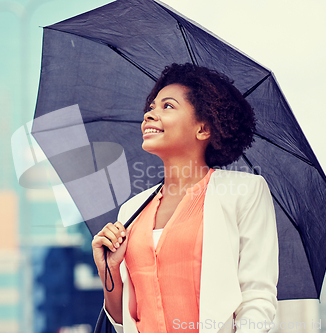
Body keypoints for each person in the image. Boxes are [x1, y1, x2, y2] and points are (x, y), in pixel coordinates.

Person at [92, 63, 278, 333]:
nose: (149, 114)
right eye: (151, 106)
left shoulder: (244, 192)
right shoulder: (131, 210)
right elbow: (123, 322)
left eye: (167, 106)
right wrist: (108, 270)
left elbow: (257, 299)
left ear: (203, 128)